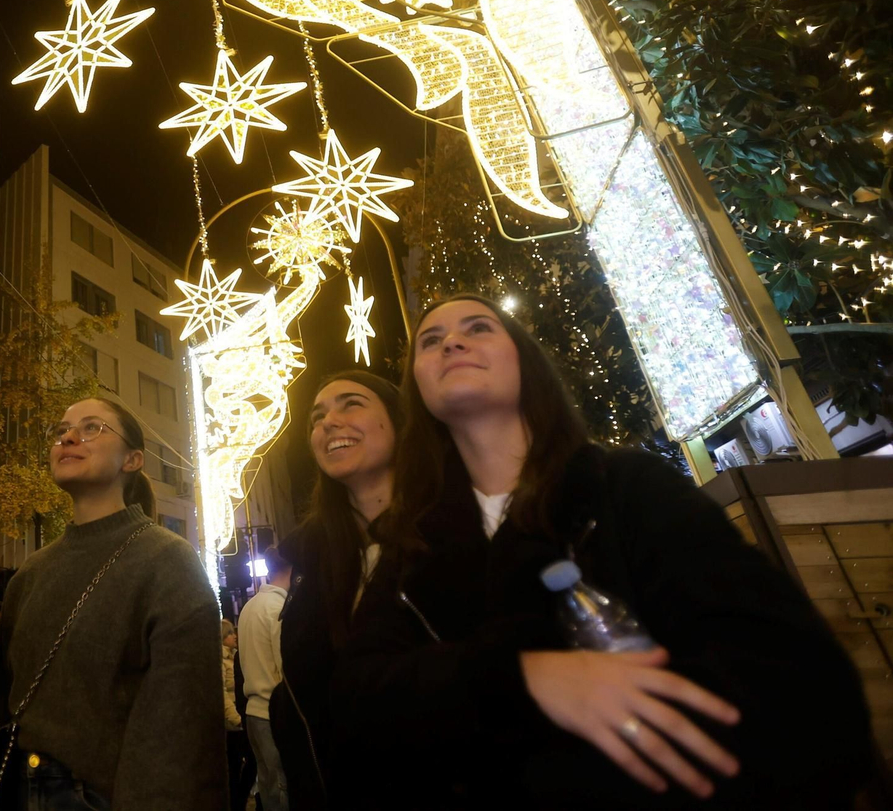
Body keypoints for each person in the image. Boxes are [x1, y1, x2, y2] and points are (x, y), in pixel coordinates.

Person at [333, 293, 872, 807]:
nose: (451, 343)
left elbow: (792, 678)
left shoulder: (626, 489)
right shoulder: (413, 548)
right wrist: (521, 678)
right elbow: (358, 700)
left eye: (478, 329)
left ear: (526, 363)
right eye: (431, 341)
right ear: (419, 389)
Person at [0, 397, 226, 810]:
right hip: (12, 786)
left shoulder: (168, 562)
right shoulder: (32, 571)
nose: (69, 436)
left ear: (133, 460)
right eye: (62, 430)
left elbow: (184, 733)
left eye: (92, 428)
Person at [270, 370, 399, 810]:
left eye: (352, 404)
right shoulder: (311, 565)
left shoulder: (458, 534)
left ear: (400, 423)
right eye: (317, 417)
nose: (328, 422)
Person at [238, 547, 291, 811]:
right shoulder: (279, 608)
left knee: (268, 786)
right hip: (274, 712)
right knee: (282, 788)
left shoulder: (250, 607)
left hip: (253, 712)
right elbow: (286, 667)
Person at [222, 620, 256, 811]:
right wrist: (237, 719)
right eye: (229, 634)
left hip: (238, 718)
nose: (234, 636)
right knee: (239, 766)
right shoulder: (221, 661)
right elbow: (223, 695)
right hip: (232, 723)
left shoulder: (234, 657)